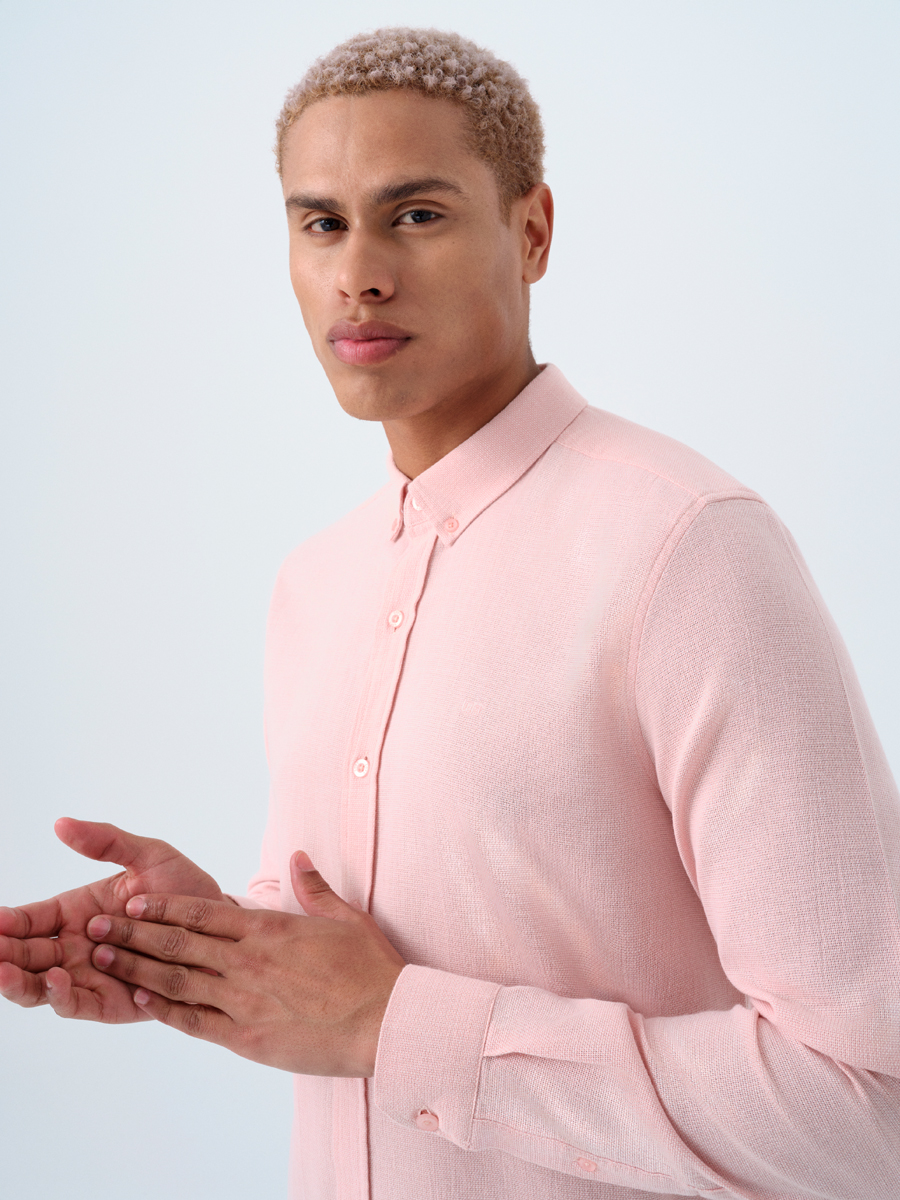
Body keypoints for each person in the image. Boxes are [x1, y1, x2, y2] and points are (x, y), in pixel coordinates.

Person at [1, 26, 899, 1200]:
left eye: (415, 214)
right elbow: (363, 965)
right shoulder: (314, 585)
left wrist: (397, 1029)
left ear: (532, 232)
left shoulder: (688, 549)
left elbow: (869, 1106)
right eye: (322, 223)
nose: (358, 274)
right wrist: (208, 950)